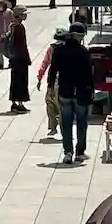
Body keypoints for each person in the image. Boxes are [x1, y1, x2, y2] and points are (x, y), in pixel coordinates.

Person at [50, 20, 94, 163]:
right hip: (81, 92)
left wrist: (50, 87)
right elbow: (89, 74)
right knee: (81, 123)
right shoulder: (83, 52)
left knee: (66, 123)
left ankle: (68, 152)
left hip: (65, 91)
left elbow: (53, 70)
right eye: (81, 36)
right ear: (77, 35)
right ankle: (79, 152)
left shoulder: (59, 50)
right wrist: (92, 91)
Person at [35, 28, 68, 137]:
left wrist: (40, 78)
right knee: (60, 105)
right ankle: (60, 128)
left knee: (50, 103)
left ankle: (54, 127)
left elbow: (45, 63)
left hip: (54, 81)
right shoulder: (68, 48)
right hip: (63, 81)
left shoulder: (52, 48)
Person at [7, 7, 31, 113]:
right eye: (24, 14)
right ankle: (20, 104)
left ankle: (14, 103)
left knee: (14, 81)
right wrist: (27, 58)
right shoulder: (20, 27)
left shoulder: (11, 26)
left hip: (13, 58)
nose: (26, 15)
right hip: (21, 58)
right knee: (22, 81)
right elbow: (22, 45)